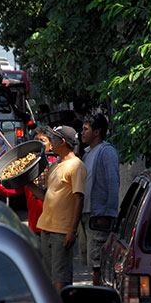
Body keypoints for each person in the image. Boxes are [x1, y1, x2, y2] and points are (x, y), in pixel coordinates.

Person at [27, 125, 86, 291]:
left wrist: (72, 231)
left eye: (53, 138)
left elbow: (79, 199)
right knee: (49, 275)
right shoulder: (56, 165)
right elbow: (45, 196)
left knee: (61, 276)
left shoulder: (76, 166)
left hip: (62, 231)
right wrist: (27, 182)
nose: (50, 142)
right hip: (46, 227)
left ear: (62, 141)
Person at [79, 114, 120, 285]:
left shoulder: (106, 151)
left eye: (85, 129)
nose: (81, 133)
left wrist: (108, 212)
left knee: (99, 263)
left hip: (99, 215)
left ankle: (100, 298)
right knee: (92, 261)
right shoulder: (87, 154)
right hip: (87, 215)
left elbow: (113, 183)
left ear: (97, 132)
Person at [24, 126, 58, 235]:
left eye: (43, 141)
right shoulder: (28, 164)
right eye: (36, 141)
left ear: (51, 144)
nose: (39, 144)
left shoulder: (56, 163)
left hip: (53, 223)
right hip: (35, 222)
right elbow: (17, 188)